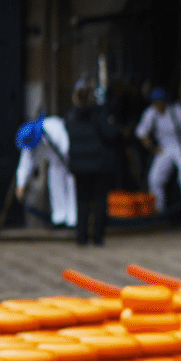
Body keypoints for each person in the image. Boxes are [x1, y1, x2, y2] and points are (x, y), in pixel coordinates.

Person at [66, 86, 118, 246]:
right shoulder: (98, 116)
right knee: (100, 201)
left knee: (82, 201)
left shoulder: (70, 117)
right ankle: (98, 237)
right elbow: (111, 134)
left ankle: (81, 237)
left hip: (79, 166)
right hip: (98, 165)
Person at [135, 88, 181, 222]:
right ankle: (159, 213)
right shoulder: (151, 113)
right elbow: (141, 132)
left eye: (160, 102)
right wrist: (152, 147)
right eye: (155, 103)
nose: (158, 105)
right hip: (164, 148)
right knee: (154, 179)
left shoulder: (178, 111)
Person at [15, 114, 77, 228]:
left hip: (68, 160)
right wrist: (20, 185)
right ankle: (59, 219)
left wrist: (73, 166)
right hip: (55, 163)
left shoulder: (54, 129)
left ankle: (73, 220)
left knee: (72, 187)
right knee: (55, 185)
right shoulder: (29, 140)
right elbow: (25, 164)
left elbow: (67, 149)